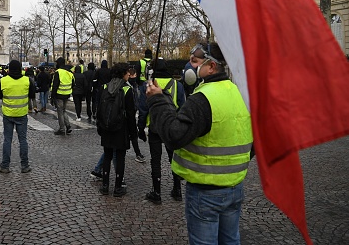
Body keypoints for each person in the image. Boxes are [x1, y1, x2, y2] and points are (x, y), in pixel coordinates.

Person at [146, 42, 253, 245]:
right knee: (231, 240)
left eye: (195, 61)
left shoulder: (203, 98)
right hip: (235, 187)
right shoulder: (239, 93)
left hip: (206, 192)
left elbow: (174, 136)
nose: (190, 66)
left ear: (211, 66)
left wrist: (157, 101)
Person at [138, 58, 185, 204]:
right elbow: (183, 106)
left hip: (155, 127)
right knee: (174, 158)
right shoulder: (177, 85)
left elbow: (143, 109)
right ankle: (177, 190)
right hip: (173, 127)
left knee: (155, 160)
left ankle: (156, 192)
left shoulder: (148, 85)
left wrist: (140, 128)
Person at [97, 62, 137, 197]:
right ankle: (118, 187)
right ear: (123, 74)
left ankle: (105, 186)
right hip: (121, 127)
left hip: (106, 127)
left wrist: (100, 127)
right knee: (120, 157)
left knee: (107, 156)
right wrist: (133, 133)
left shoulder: (104, 87)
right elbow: (131, 114)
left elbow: (99, 109)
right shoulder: (127, 89)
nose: (129, 75)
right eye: (127, 73)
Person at [0, 60, 35, 174]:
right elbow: (32, 95)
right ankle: (25, 165)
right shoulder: (27, 80)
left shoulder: (3, 80)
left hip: (8, 113)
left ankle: (5, 165)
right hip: (22, 113)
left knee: (7, 140)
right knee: (23, 140)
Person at [50, 57, 74, 135]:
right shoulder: (69, 72)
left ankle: (62, 129)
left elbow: (55, 85)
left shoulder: (58, 72)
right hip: (67, 94)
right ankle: (68, 126)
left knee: (60, 112)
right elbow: (73, 84)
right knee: (64, 110)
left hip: (59, 94)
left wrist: (52, 96)